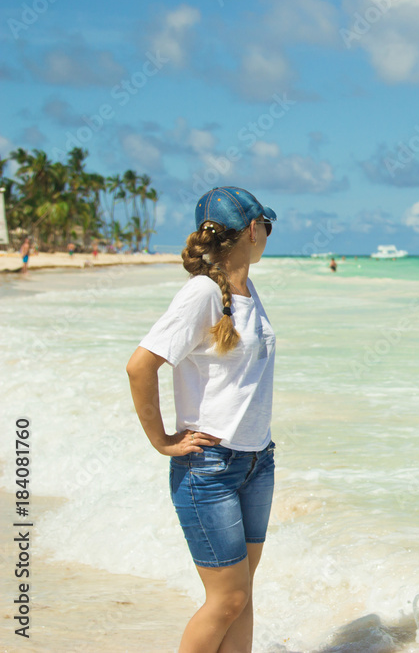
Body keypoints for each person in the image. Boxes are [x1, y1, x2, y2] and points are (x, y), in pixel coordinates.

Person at [126, 186, 278, 653]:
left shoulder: (245, 287)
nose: (269, 233)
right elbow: (140, 365)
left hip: (256, 462)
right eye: (266, 225)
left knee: (241, 596)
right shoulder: (201, 294)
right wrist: (163, 441)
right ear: (252, 230)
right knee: (226, 599)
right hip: (209, 468)